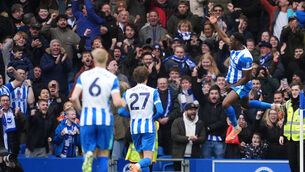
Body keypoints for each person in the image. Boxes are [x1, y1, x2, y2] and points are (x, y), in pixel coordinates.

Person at [207, 13, 282, 142]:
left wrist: (232, 86)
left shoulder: (246, 57)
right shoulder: (234, 47)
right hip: (236, 83)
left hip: (242, 84)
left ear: (238, 42)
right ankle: (273, 106)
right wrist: (214, 24)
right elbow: (224, 36)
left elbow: (247, 77)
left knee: (225, 104)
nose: (229, 41)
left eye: (232, 40)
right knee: (246, 105)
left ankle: (235, 127)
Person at [71, 48, 126, 172]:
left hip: (87, 118)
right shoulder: (112, 78)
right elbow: (117, 102)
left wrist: (81, 110)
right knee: (103, 154)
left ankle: (89, 156)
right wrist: (125, 101)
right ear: (106, 60)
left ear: (93, 60)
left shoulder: (83, 76)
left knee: (87, 151)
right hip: (104, 119)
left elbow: (74, 97)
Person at [118, 66, 164, 172]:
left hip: (134, 128)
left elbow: (120, 111)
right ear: (147, 77)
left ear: (134, 78)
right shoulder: (153, 91)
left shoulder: (127, 92)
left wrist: (132, 116)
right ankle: (136, 166)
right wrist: (152, 119)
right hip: (148, 127)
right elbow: (160, 111)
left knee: (142, 158)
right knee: (148, 159)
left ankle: (137, 166)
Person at [171, 103, 206, 171]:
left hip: (194, 155)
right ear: (185, 111)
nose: (193, 112)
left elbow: (203, 138)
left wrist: (196, 139)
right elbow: (174, 136)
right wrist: (188, 138)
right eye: (191, 110)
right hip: (179, 155)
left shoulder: (200, 123)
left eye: (195, 110)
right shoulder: (177, 122)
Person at [280, 81, 305, 172]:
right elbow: (285, 120)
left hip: (302, 140)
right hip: (290, 139)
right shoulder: (288, 103)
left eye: (296, 90)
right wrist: (281, 134)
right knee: (292, 163)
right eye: (292, 90)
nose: (294, 92)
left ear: (301, 91)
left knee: (301, 165)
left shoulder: (304, 104)